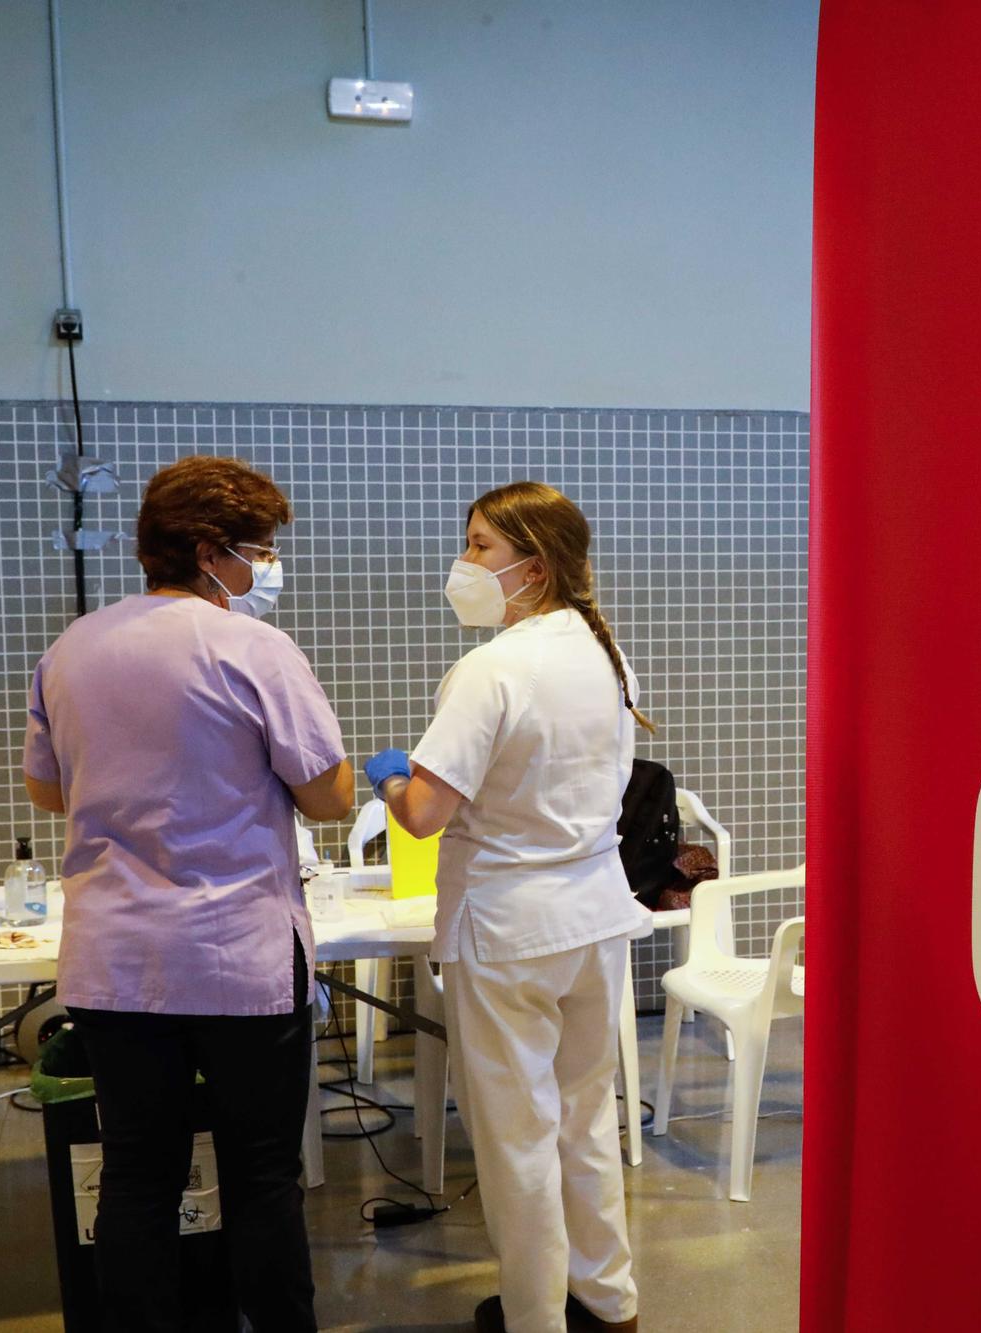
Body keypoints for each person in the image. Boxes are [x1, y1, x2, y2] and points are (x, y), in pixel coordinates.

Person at [22, 455, 351, 1332]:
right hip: (238, 959)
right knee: (262, 1173)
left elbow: (50, 790)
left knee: (136, 1172)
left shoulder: (70, 650)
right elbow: (331, 794)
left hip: (115, 964)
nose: (267, 568)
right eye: (259, 550)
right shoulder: (255, 649)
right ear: (211, 552)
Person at [365, 481, 651, 1333]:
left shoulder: (489, 670)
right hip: (595, 920)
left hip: (510, 932)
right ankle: (609, 1301)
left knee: (519, 1139)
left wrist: (388, 774)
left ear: (537, 563)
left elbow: (423, 814)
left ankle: (535, 1317)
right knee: (586, 1121)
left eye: (482, 546)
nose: (466, 563)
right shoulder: (606, 653)